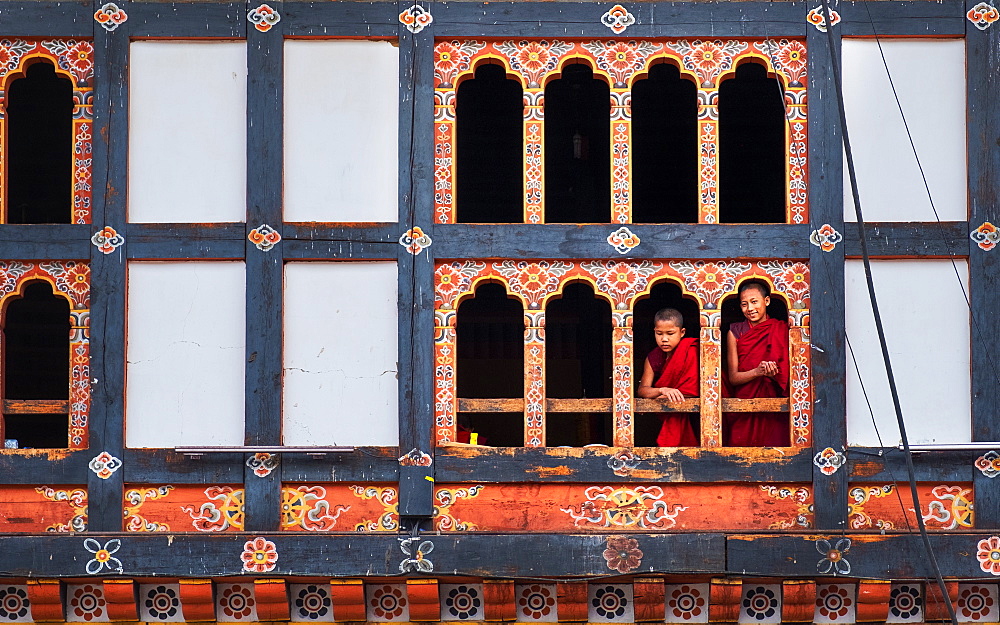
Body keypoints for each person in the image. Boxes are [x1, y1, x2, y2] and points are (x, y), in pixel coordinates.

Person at [724, 281, 789, 446]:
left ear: (766, 301)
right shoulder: (735, 333)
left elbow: (790, 377)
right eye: (744, 304)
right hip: (744, 406)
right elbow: (733, 377)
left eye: (754, 302)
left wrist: (773, 374)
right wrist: (758, 371)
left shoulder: (781, 329)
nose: (750, 309)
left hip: (774, 405)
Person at [637, 308, 700, 446]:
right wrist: (662, 390)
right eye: (659, 333)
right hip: (674, 413)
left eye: (670, 333)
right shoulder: (653, 357)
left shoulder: (692, 351)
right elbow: (642, 390)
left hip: (699, 417)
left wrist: (658, 397)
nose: (664, 339)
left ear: (682, 332)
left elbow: (693, 389)